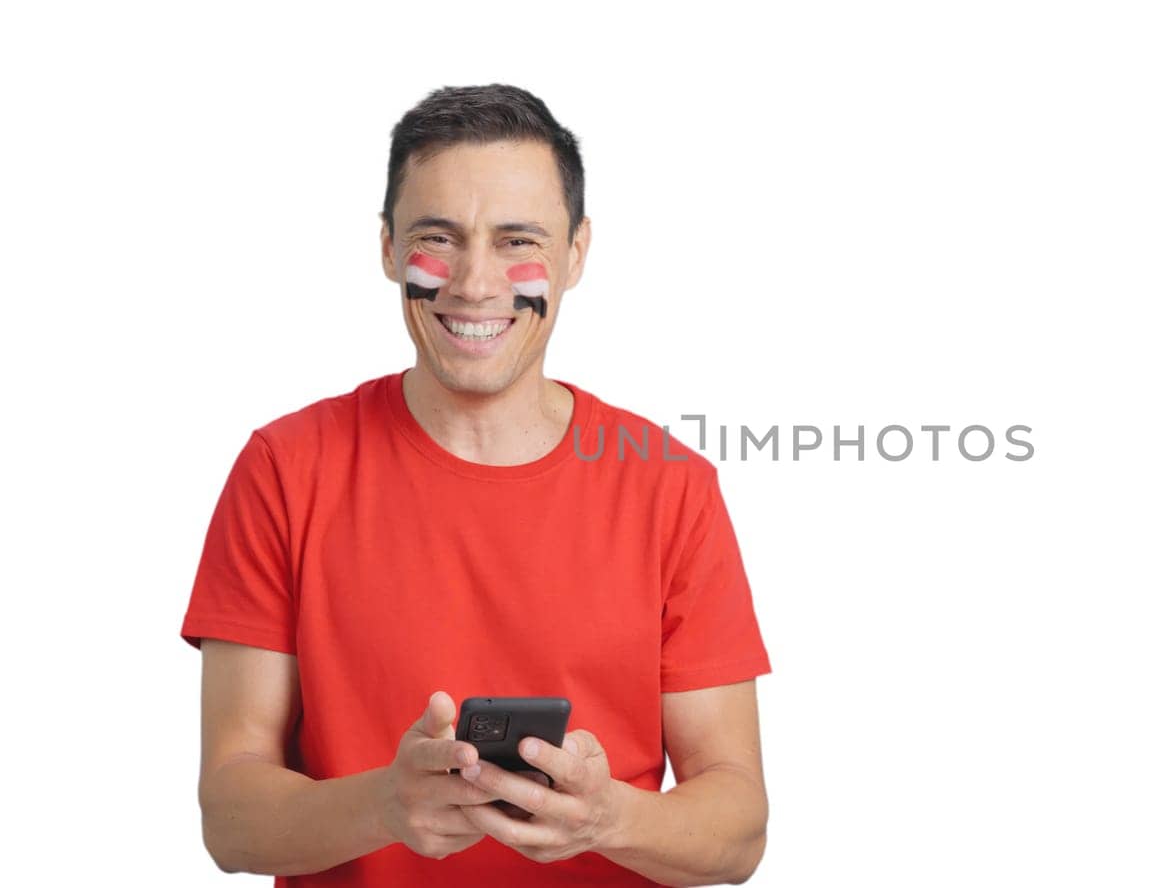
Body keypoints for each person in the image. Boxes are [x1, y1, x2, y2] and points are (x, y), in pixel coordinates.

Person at [180, 84, 772, 887]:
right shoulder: (284, 470)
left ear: (576, 253)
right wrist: (386, 806)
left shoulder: (672, 487)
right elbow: (231, 820)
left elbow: (738, 832)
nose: (475, 283)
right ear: (388, 247)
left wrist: (609, 818)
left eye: (516, 240)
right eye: (439, 238)